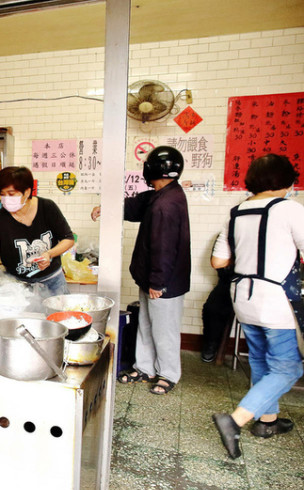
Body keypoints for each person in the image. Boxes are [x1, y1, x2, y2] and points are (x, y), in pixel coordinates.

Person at [210, 153, 304, 459]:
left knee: (261, 361)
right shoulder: (291, 209)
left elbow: (218, 261)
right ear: (288, 180)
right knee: (289, 368)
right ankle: (235, 420)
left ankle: (267, 421)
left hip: (243, 297)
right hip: (276, 299)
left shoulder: (236, 212)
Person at [93, 146, 190, 395]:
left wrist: (157, 283)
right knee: (147, 325)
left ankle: (168, 374)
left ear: (150, 169)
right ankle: (145, 368)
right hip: (152, 277)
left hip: (163, 282)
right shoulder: (162, 194)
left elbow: (164, 248)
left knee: (164, 330)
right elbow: (137, 204)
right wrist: (109, 208)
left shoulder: (165, 205)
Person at [0, 166, 74, 295]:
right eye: (3, 194)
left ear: (27, 192)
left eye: (11, 194)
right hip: (17, 285)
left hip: (52, 283)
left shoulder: (47, 208)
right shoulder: (1, 217)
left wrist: (49, 254)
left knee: (56, 314)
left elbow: (68, 238)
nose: (6, 199)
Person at [200, 262, 235, 363]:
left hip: (257, 284)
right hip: (228, 282)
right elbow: (217, 264)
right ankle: (211, 343)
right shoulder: (228, 245)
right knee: (211, 308)